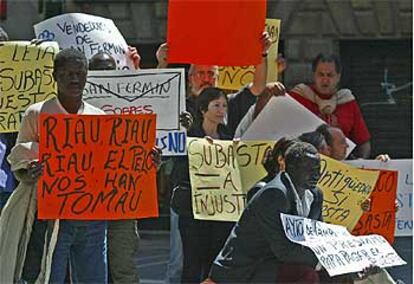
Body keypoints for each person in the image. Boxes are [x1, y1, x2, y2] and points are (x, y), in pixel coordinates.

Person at [0, 48, 107, 283]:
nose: (74, 79)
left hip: (92, 217)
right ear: (55, 76)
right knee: (49, 277)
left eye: (79, 74)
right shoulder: (36, 114)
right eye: (68, 74)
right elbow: (18, 157)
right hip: (51, 216)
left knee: (94, 278)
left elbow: (111, 164)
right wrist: (30, 170)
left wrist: (145, 159)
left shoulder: (98, 117)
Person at [208, 141, 322, 283]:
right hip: (250, 267)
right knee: (306, 274)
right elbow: (283, 250)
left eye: (318, 169)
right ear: (291, 168)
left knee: (338, 274)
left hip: (278, 262)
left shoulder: (316, 194)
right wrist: (321, 259)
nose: (317, 175)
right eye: (310, 170)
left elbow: (317, 236)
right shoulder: (274, 194)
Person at [173, 88, 235, 283]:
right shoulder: (191, 134)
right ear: (203, 109)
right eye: (216, 105)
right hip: (192, 210)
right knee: (192, 262)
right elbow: (179, 166)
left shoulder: (228, 135)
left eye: (224, 106)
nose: (221, 110)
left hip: (220, 210)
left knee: (214, 262)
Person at [89, 51, 141, 284]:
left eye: (108, 68)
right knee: (90, 270)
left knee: (123, 269)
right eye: (98, 69)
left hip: (122, 200)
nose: (103, 74)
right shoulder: (73, 104)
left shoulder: (131, 105)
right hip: (86, 201)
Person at [289, 53, 371, 158]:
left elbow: (363, 142)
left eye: (330, 75)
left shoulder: (347, 101)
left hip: (341, 169)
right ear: (314, 75)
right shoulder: (298, 97)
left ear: (338, 77)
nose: (325, 80)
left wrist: (361, 163)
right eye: (321, 74)